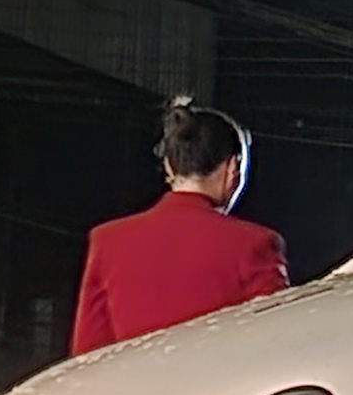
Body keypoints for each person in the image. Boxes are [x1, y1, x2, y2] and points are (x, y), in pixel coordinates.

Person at [71, 96, 288, 354]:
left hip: (133, 393)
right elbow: (275, 349)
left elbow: (87, 355)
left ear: (168, 167)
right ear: (233, 169)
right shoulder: (257, 244)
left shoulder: (106, 240)